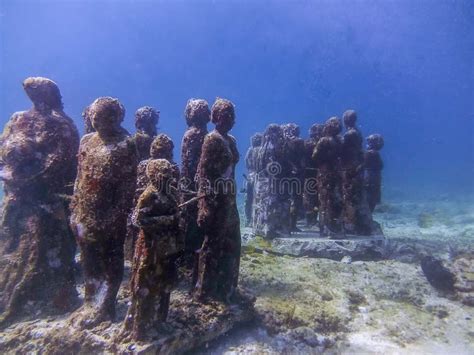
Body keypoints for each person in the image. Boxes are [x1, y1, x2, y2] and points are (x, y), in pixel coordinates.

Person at [0, 77, 79, 326]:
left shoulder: (62, 125)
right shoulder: (17, 120)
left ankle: (53, 297)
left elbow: (62, 163)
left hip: (46, 200)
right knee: (11, 246)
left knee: (49, 246)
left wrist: (31, 177)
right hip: (17, 198)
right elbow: (3, 151)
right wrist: (13, 170)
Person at [70, 97, 138, 327]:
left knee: (110, 258)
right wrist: (74, 208)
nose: (96, 120)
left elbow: (128, 187)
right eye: (94, 116)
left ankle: (106, 305)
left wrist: (116, 216)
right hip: (86, 212)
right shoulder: (86, 141)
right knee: (89, 259)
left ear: (116, 117)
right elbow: (79, 177)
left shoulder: (126, 144)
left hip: (110, 215)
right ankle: (90, 301)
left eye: (102, 116)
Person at [125, 159, 180, 340]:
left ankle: (160, 321)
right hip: (151, 249)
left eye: (168, 174)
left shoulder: (170, 193)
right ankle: (142, 326)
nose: (167, 177)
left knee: (165, 284)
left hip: (166, 249)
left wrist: (176, 219)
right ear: (153, 175)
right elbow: (138, 220)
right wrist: (168, 219)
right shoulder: (149, 195)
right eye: (162, 174)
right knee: (147, 284)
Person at [194, 98, 241, 302]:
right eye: (226, 115)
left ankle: (226, 287)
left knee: (232, 243)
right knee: (212, 245)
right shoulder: (211, 140)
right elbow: (203, 173)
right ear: (216, 118)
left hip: (229, 199)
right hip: (216, 200)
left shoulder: (230, 140)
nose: (231, 119)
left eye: (232, 115)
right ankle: (204, 291)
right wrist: (204, 204)